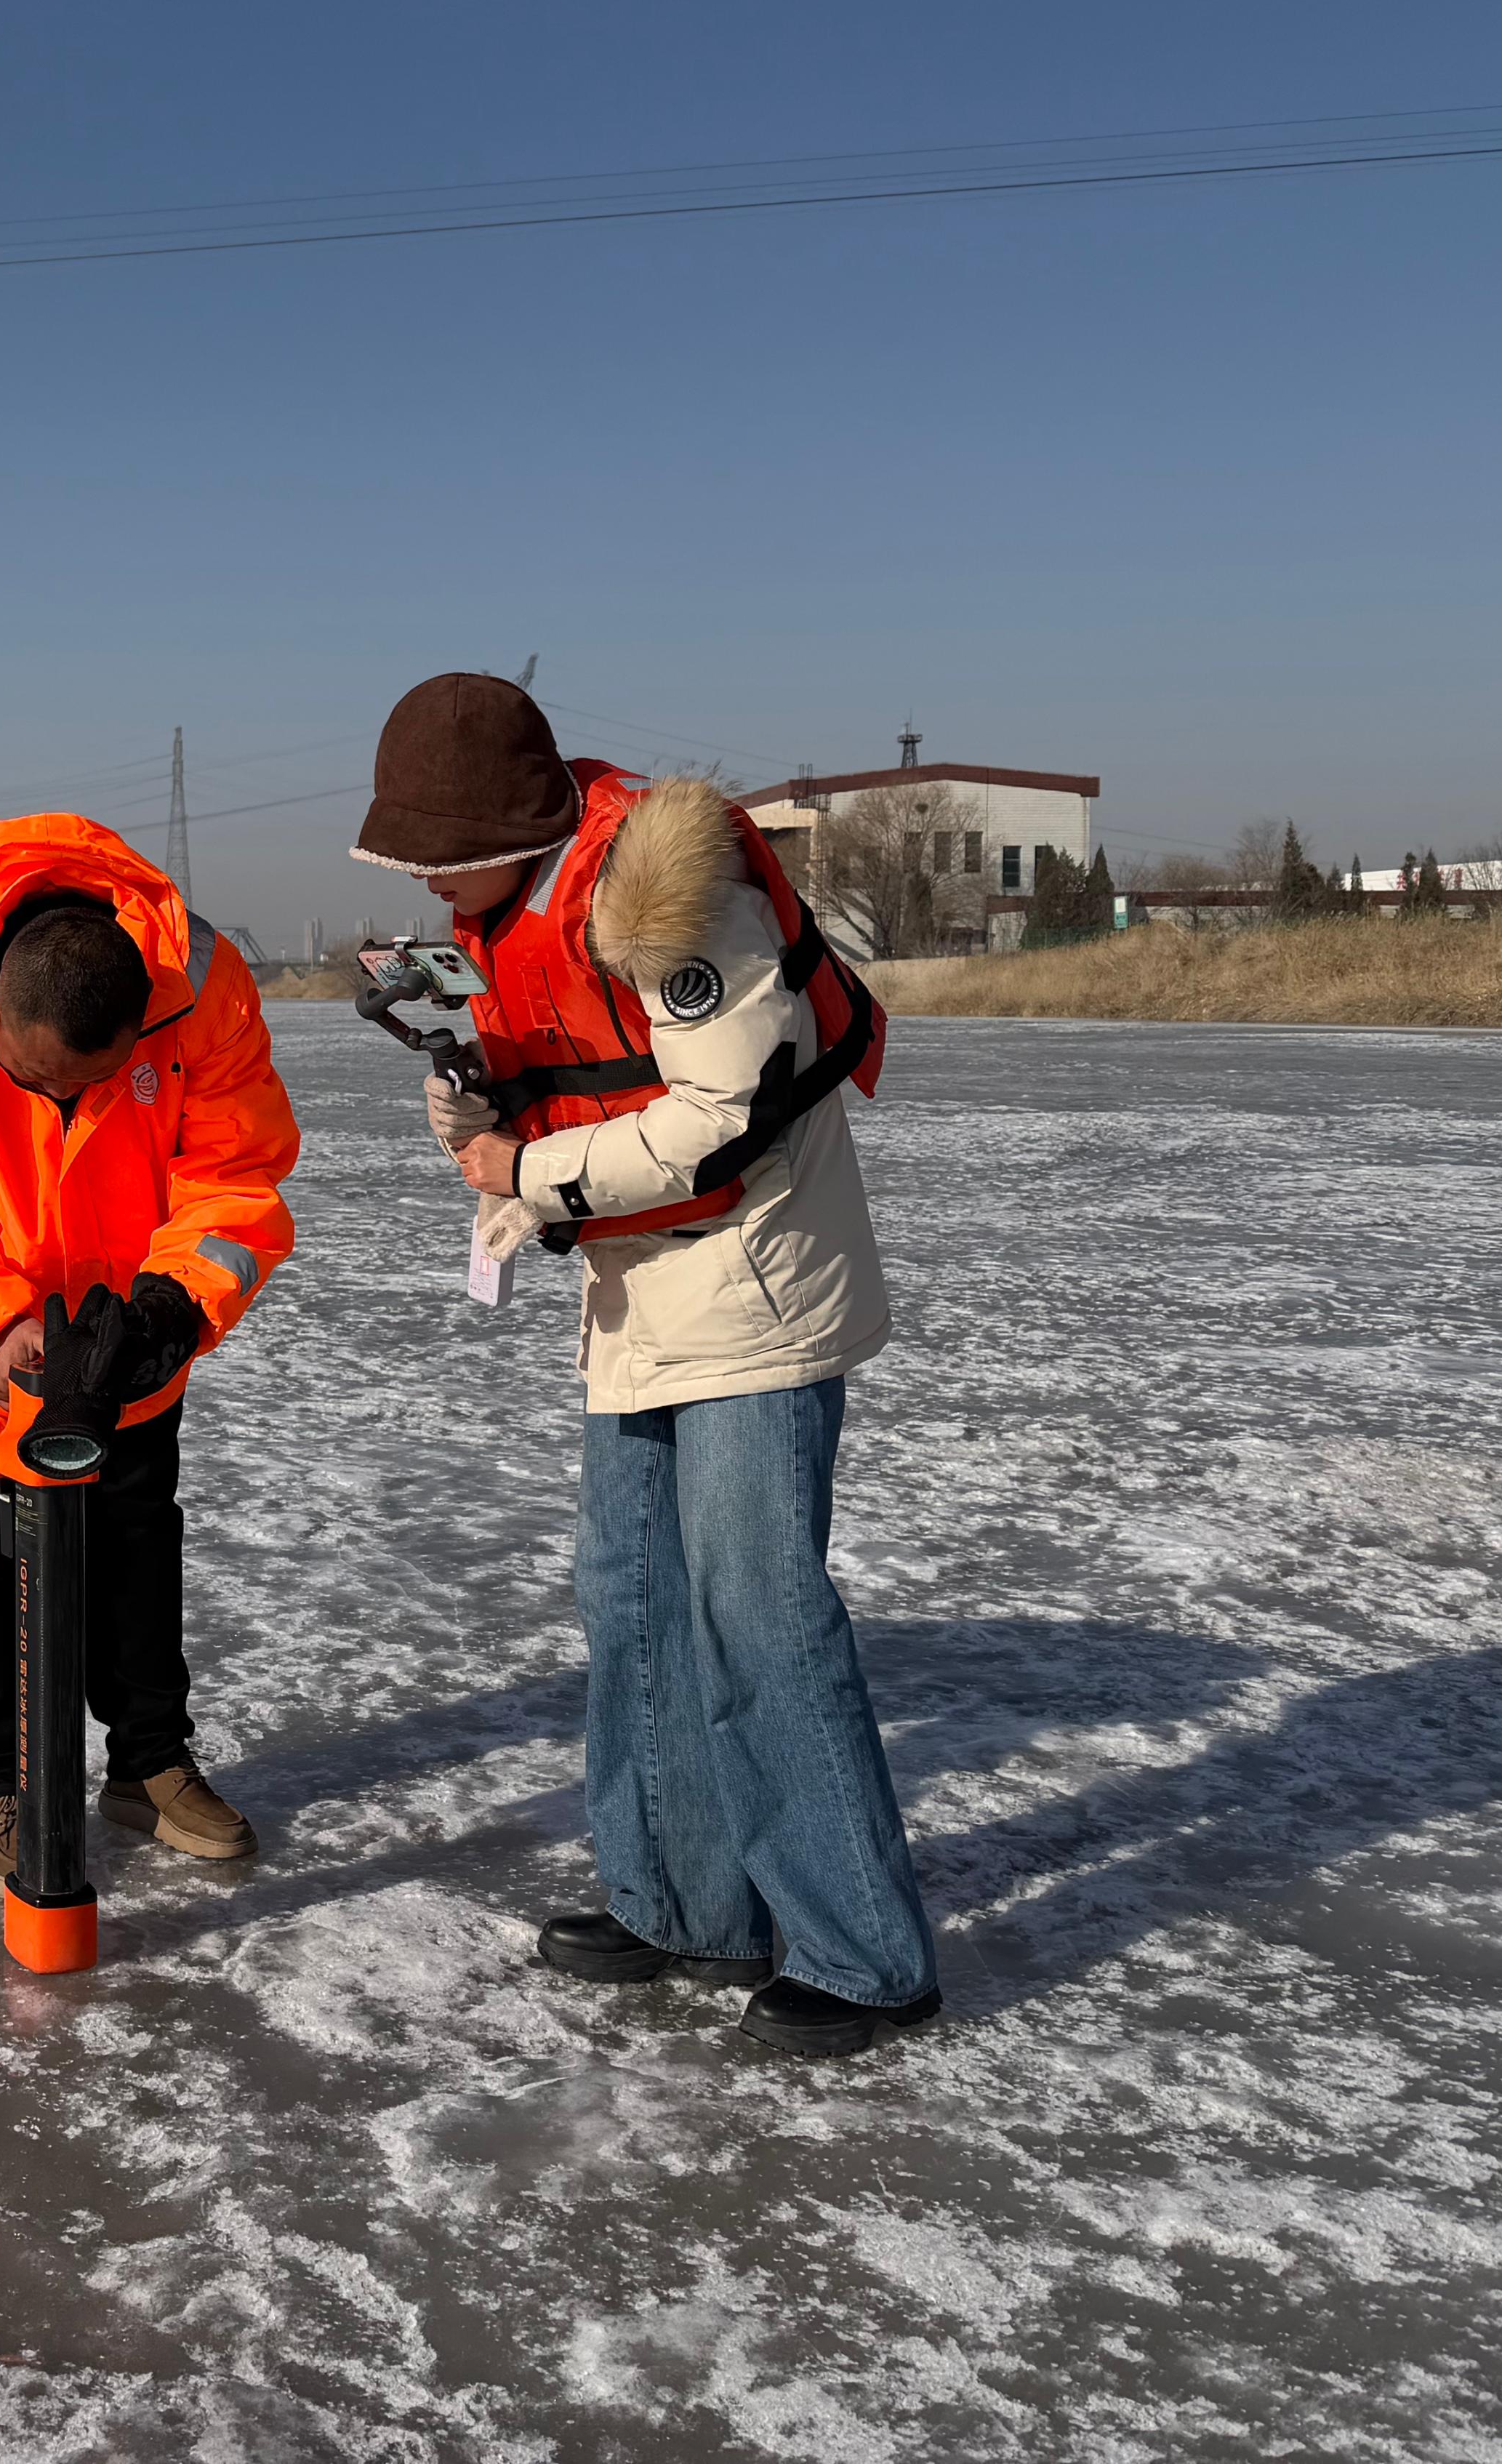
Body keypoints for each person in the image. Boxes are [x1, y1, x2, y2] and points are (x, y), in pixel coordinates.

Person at [352, 673, 936, 2056]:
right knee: (632, 1597)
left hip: (753, 1287)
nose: (427, 879)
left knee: (758, 1613)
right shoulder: (505, 915)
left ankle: (865, 1954)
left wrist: (526, 1170)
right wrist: (479, 1108)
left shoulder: (675, 895)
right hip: (636, 1295)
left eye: (442, 852)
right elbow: (580, 1072)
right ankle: (683, 1903)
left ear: (517, 826)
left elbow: (721, 1116)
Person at [0, 812, 300, 1895]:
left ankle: (150, 1765)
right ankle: (1, 1786)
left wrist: (171, 1312)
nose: (60, 1106)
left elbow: (235, 1174)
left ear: (142, 1021)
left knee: (136, 1535)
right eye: (34, 1081)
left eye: (89, 1084)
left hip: (131, 1342)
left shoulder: (200, 988)